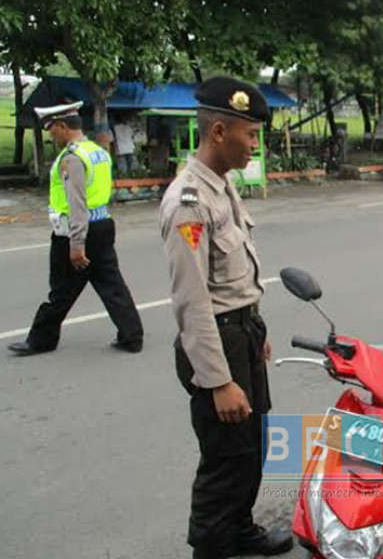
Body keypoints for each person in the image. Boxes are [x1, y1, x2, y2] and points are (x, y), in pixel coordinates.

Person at [158, 76, 292, 559]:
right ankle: (213, 547)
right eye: (249, 135)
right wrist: (217, 380)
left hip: (242, 333)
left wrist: (257, 333)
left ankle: (239, 528)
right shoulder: (188, 204)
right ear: (218, 132)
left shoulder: (222, 187)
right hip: (217, 342)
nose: (254, 144)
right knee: (225, 460)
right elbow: (192, 303)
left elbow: (235, 279)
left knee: (255, 446)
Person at [8, 102, 144, 356]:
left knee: (61, 289)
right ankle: (131, 336)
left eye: (52, 130)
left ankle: (40, 340)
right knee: (111, 284)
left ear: (62, 126)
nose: (52, 136)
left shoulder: (72, 158)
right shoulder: (98, 152)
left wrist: (76, 243)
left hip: (76, 230)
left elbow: (77, 202)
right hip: (103, 224)